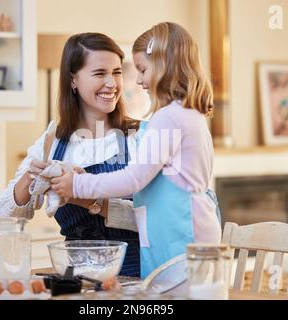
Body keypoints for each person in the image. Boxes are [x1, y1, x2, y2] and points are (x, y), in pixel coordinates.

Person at [52, 22, 222, 279]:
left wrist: (78, 184)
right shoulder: (187, 115)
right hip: (175, 229)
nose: (139, 79)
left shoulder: (169, 118)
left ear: (164, 65)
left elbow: (133, 179)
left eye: (142, 69)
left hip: (179, 232)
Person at [0, 32, 141, 277]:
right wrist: (35, 175)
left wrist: (86, 197)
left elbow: (155, 220)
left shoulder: (138, 137)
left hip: (133, 281)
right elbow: (2, 216)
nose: (112, 84)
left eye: (116, 72)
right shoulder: (53, 140)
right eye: (99, 73)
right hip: (76, 282)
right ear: (73, 80)